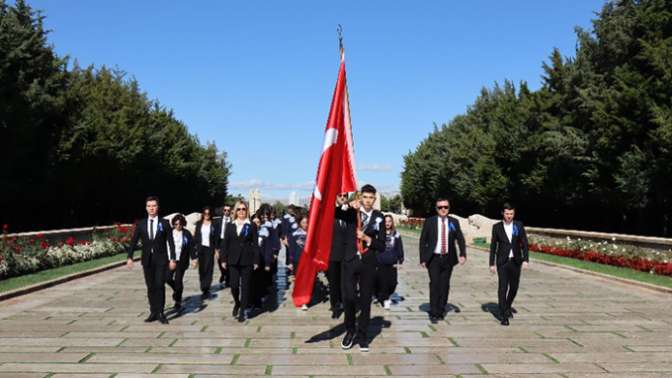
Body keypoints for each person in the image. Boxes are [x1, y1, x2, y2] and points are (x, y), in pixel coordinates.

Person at [339, 184, 386, 352]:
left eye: (371, 197)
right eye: (365, 197)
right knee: (349, 298)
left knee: (366, 300)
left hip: (368, 262)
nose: (368, 200)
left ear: (374, 199)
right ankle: (350, 330)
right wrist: (346, 204)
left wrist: (367, 238)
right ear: (360, 197)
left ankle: (363, 335)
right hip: (350, 260)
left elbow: (382, 245)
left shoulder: (379, 217)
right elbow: (336, 213)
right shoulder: (352, 212)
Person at [127, 196, 176, 324]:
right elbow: (133, 241)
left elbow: (170, 242)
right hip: (147, 259)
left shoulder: (164, 223)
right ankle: (153, 311)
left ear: (157, 207)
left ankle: (160, 312)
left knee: (160, 284)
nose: (151, 208)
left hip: (161, 259)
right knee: (150, 286)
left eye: (154, 206)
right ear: (146, 208)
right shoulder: (141, 224)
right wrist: (130, 257)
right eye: (149, 206)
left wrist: (173, 259)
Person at [419, 198, 466, 324]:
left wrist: (462, 254)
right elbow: (423, 240)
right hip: (433, 258)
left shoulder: (454, 222)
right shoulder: (430, 222)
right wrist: (423, 258)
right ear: (436, 209)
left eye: (445, 207)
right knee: (435, 284)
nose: (443, 209)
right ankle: (433, 312)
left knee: (444, 285)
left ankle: (441, 309)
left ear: (449, 208)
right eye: (440, 207)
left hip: (448, 258)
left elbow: (460, 238)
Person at [489, 203, 529, 326]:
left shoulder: (518, 225)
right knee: (502, 288)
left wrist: (526, 259)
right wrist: (492, 263)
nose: (509, 216)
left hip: (516, 261)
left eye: (511, 214)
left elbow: (525, 243)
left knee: (514, 287)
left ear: (514, 213)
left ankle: (507, 305)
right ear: (503, 213)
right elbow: (493, 246)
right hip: (502, 262)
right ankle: (504, 315)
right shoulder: (497, 227)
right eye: (507, 214)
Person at [220, 200, 260, 322]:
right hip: (233, 260)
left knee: (246, 287)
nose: (241, 211)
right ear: (235, 211)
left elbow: (255, 245)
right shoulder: (230, 225)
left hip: (247, 260)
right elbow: (225, 243)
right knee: (234, 285)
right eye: (239, 209)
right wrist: (223, 259)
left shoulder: (251, 225)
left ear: (246, 211)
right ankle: (237, 302)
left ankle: (242, 311)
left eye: (243, 209)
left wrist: (256, 260)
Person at [166, 214, 196, 311]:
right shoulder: (169, 232)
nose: (178, 226)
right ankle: (177, 290)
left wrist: (194, 259)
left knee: (178, 280)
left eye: (180, 224)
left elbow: (191, 247)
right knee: (167, 278)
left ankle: (177, 301)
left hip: (182, 261)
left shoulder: (186, 233)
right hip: (171, 260)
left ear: (183, 224)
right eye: (176, 224)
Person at [376, 215, 404, 310]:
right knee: (383, 282)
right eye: (385, 221)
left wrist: (400, 259)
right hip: (381, 261)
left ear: (392, 223)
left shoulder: (396, 234)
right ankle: (385, 299)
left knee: (393, 282)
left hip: (392, 261)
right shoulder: (378, 234)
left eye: (389, 221)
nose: (387, 223)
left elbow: (399, 247)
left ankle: (386, 295)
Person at [328, 193, 348, 319]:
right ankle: (335, 306)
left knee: (345, 282)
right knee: (334, 282)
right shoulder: (330, 213)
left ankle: (345, 303)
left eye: (345, 196)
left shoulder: (350, 213)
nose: (342, 198)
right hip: (333, 255)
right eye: (340, 195)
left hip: (346, 254)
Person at [194, 206, 220, 299]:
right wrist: (194, 249)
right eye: (205, 213)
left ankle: (206, 287)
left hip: (210, 248)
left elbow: (216, 237)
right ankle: (203, 286)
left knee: (209, 267)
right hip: (201, 248)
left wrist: (217, 250)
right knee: (202, 269)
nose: (207, 215)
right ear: (203, 214)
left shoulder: (214, 224)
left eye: (208, 213)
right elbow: (196, 237)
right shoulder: (199, 224)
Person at [217, 205, 232, 287]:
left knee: (229, 261)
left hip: (230, 243)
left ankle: (228, 279)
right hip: (221, 242)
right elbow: (216, 234)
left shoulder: (233, 221)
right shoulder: (218, 221)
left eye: (228, 210)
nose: (226, 212)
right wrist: (216, 247)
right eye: (225, 210)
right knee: (220, 260)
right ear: (223, 211)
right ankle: (223, 273)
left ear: (230, 211)